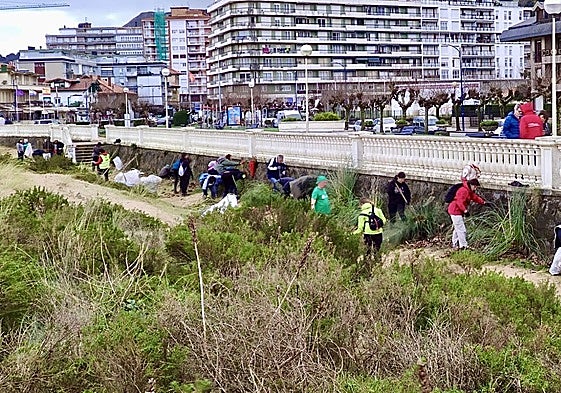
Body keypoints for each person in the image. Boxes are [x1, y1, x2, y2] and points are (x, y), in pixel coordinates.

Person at [447, 178, 486, 249]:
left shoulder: (468, 190)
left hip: (457, 211)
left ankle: (455, 244)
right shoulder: (463, 190)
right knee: (462, 230)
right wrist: (465, 211)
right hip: (455, 211)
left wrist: (483, 202)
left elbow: (475, 197)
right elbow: (459, 202)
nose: (475, 188)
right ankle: (463, 246)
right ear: (471, 185)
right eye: (475, 186)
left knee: (457, 229)